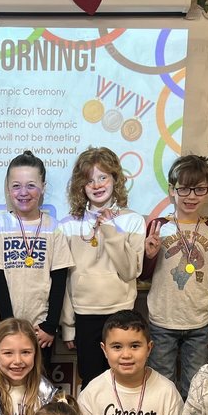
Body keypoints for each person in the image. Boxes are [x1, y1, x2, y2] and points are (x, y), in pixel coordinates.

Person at [59, 146, 145, 387]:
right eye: (89, 180)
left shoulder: (133, 220)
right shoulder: (68, 225)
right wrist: (68, 327)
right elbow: (65, 281)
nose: (96, 185)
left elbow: (130, 271)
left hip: (120, 312)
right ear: (80, 185)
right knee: (91, 382)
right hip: (85, 315)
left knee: (123, 380)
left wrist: (110, 230)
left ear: (115, 179)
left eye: (103, 177)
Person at [141, 154, 208, 399]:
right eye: (184, 188)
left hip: (198, 321)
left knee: (195, 386)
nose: (191, 196)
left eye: (199, 189)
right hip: (163, 319)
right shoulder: (158, 226)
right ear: (171, 190)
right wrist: (149, 255)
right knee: (162, 385)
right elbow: (144, 274)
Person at [0, 150, 74, 366]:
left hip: (40, 331)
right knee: (7, 382)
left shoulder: (54, 228)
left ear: (43, 187)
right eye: (16, 186)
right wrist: (8, 325)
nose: (23, 192)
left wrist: (50, 326)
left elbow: (59, 280)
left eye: (31, 185)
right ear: (8, 189)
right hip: (5, 328)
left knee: (39, 384)